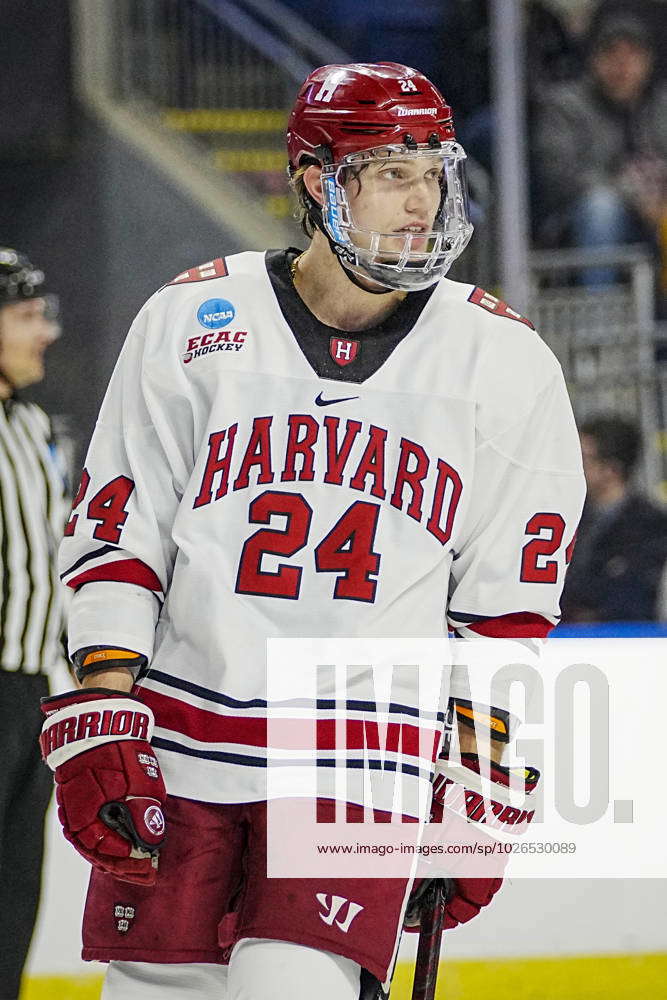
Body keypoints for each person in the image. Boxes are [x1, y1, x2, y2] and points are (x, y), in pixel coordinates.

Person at [41, 63, 585, 1000]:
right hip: (185, 733)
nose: (420, 203)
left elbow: (505, 606)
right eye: (388, 174)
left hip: (363, 756)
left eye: (431, 172)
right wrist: (104, 698)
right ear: (313, 180)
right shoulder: (191, 320)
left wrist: (481, 768)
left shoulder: (503, 360)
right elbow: (122, 534)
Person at [0, 248, 68, 1000]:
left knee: (15, 894)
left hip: (27, 695)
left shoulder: (28, 423)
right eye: (23, 316)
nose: (43, 332)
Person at [533, 11, 667, 284]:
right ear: (594, 60)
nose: (623, 66)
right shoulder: (565, 106)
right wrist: (637, 199)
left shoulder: (661, 105)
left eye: (633, 56)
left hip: (657, 215)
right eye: (612, 55)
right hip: (580, 220)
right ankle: (599, 318)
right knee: (601, 207)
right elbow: (560, 176)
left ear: (648, 62)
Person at [561, 414, 667, 622]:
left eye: (583, 458)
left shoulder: (650, 526)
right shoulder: (570, 519)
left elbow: (632, 597)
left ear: (611, 469)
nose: (573, 465)